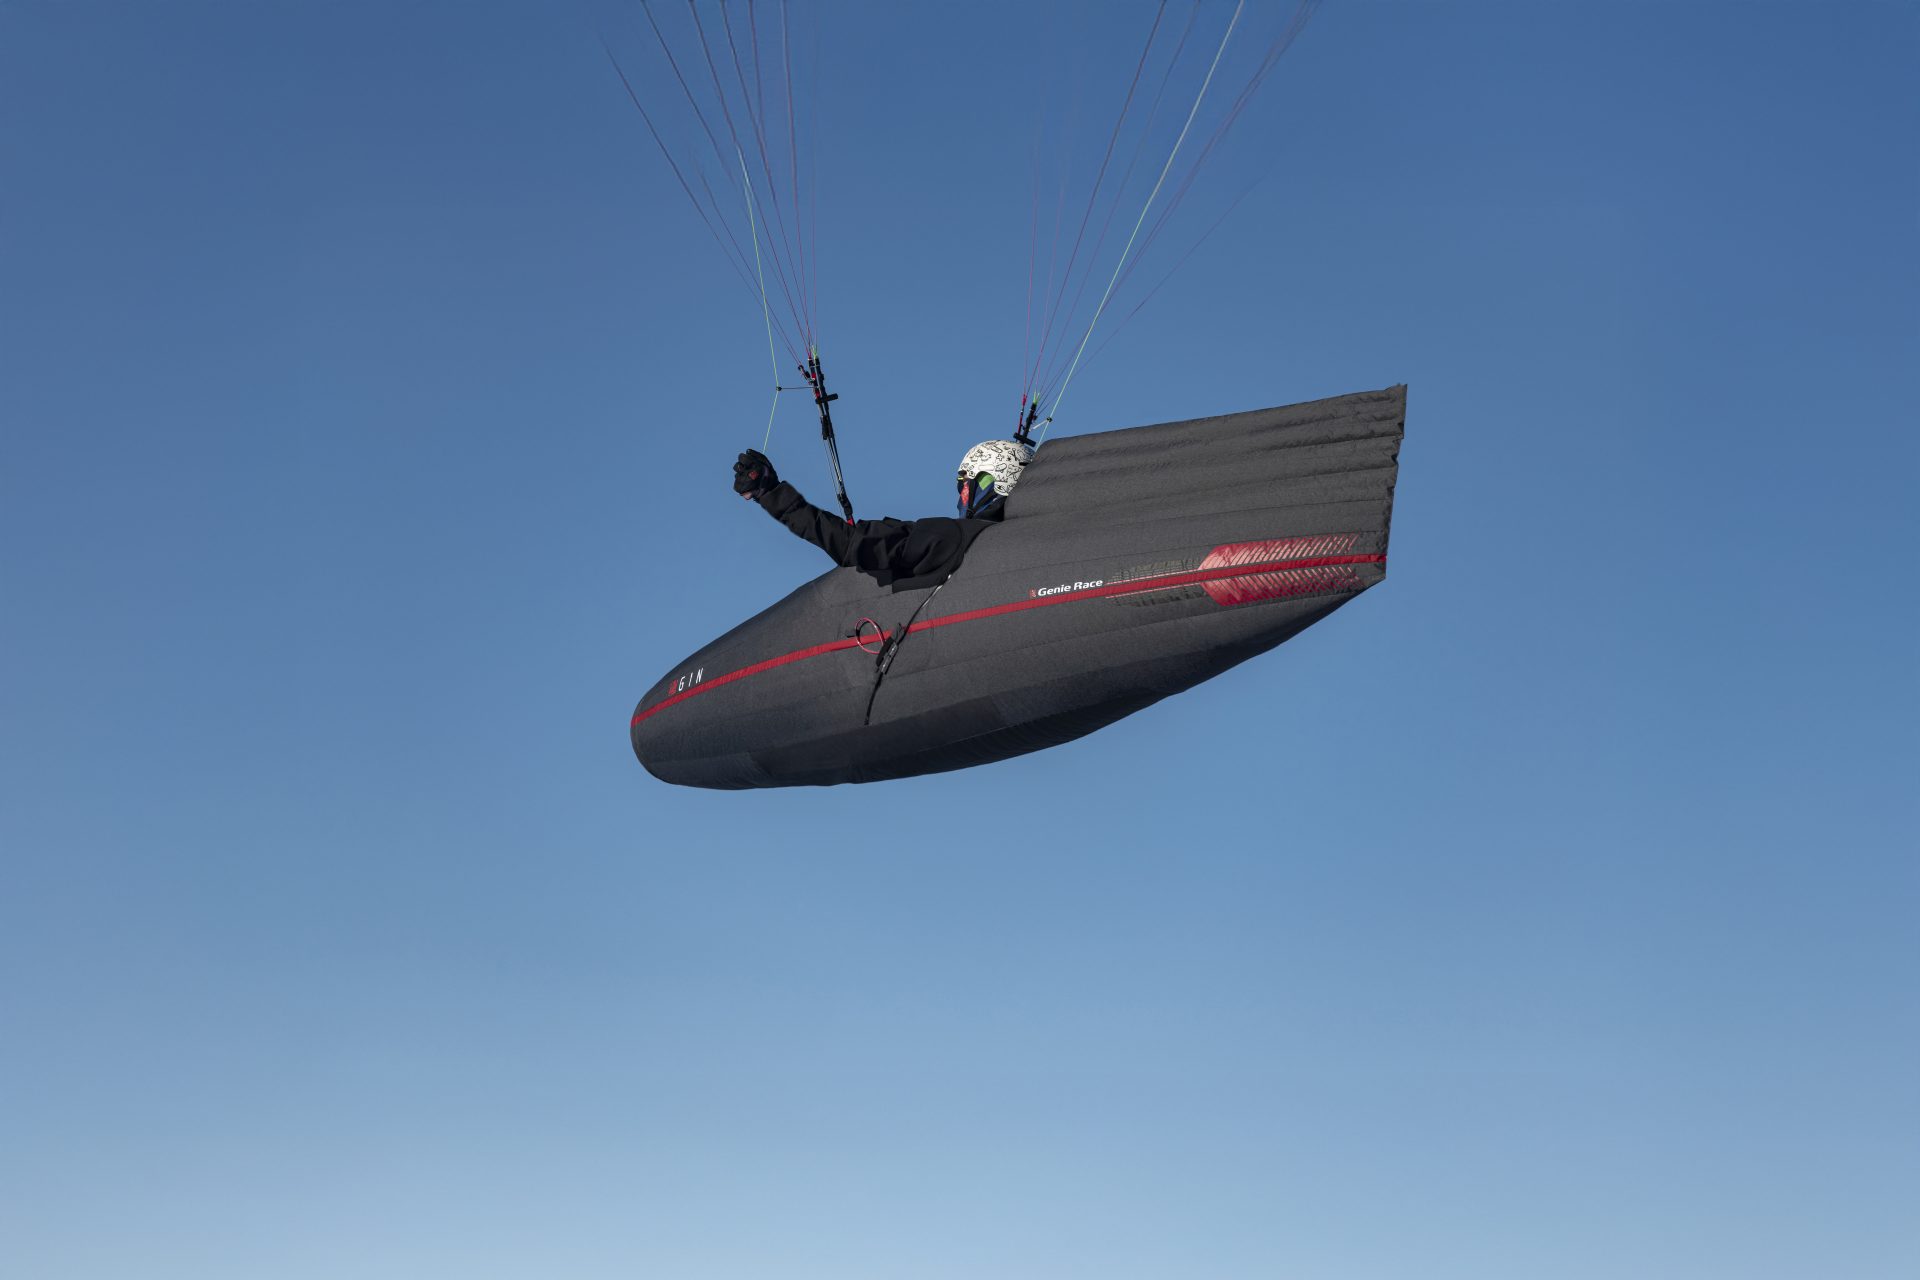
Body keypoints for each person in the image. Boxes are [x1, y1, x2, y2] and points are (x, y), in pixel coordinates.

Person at [732, 439, 1035, 591]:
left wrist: (769, 492)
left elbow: (849, 543)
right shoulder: (1022, 548)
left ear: (985, 485)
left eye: (965, 486)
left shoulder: (951, 538)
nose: (962, 496)